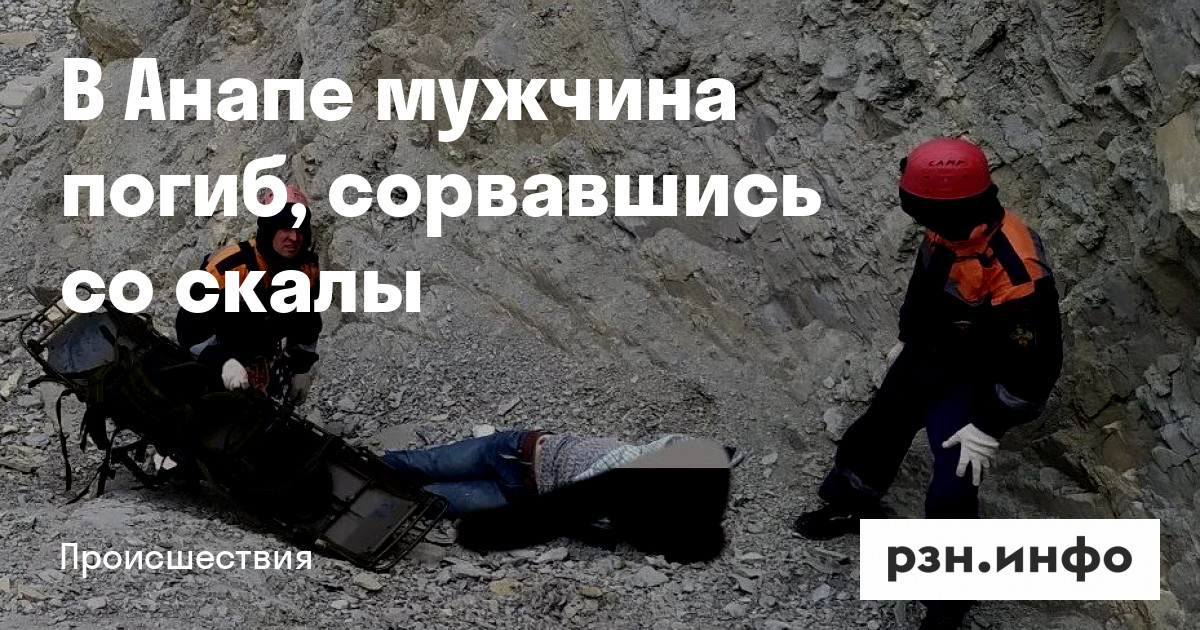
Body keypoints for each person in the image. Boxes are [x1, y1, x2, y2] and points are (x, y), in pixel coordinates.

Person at [792, 138, 1064, 629]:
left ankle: (947, 607)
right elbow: (924, 286)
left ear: (948, 206)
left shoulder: (1016, 271)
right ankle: (852, 503)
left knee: (952, 488)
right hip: (930, 352)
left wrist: (989, 424)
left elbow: (1035, 368)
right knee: (878, 429)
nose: (919, 220)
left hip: (974, 378)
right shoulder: (949, 228)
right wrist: (908, 338)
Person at [382, 430, 732, 562]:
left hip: (516, 496)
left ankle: (359, 507)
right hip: (515, 451)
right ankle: (349, 464)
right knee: (419, 463)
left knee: (427, 499)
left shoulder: (626, 526)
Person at [175, 185, 322, 405]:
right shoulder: (229, 269)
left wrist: (302, 369)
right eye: (285, 227)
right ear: (269, 228)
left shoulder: (305, 273)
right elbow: (189, 328)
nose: (294, 237)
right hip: (215, 361)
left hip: (261, 364)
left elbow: (306, 325)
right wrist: (223, 362)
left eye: (300, 229)